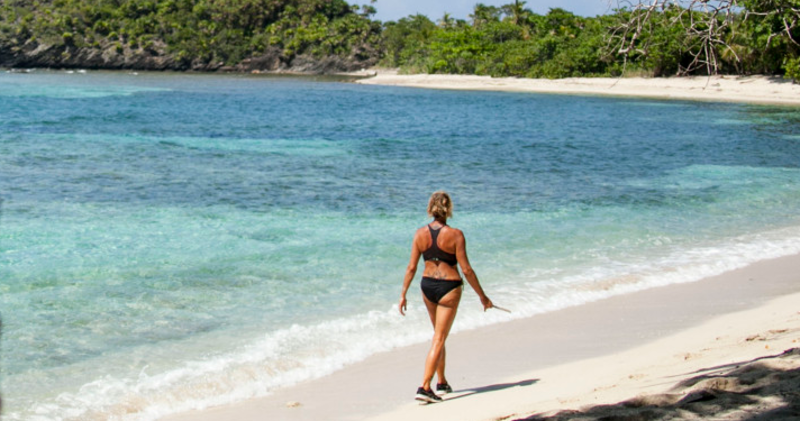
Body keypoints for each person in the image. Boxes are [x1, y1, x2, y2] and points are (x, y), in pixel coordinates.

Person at [399, 191, 493, 403]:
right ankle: (424, 386)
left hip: (427, 286)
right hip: (449, 287)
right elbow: (466, 270)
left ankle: (441, 381)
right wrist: (482, 296)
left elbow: (411, 267)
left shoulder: (419, 234)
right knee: (439, 337)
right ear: (448, 208)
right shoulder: (456, 234)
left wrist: (403, 294)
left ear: (430, 208)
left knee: (437, 335)